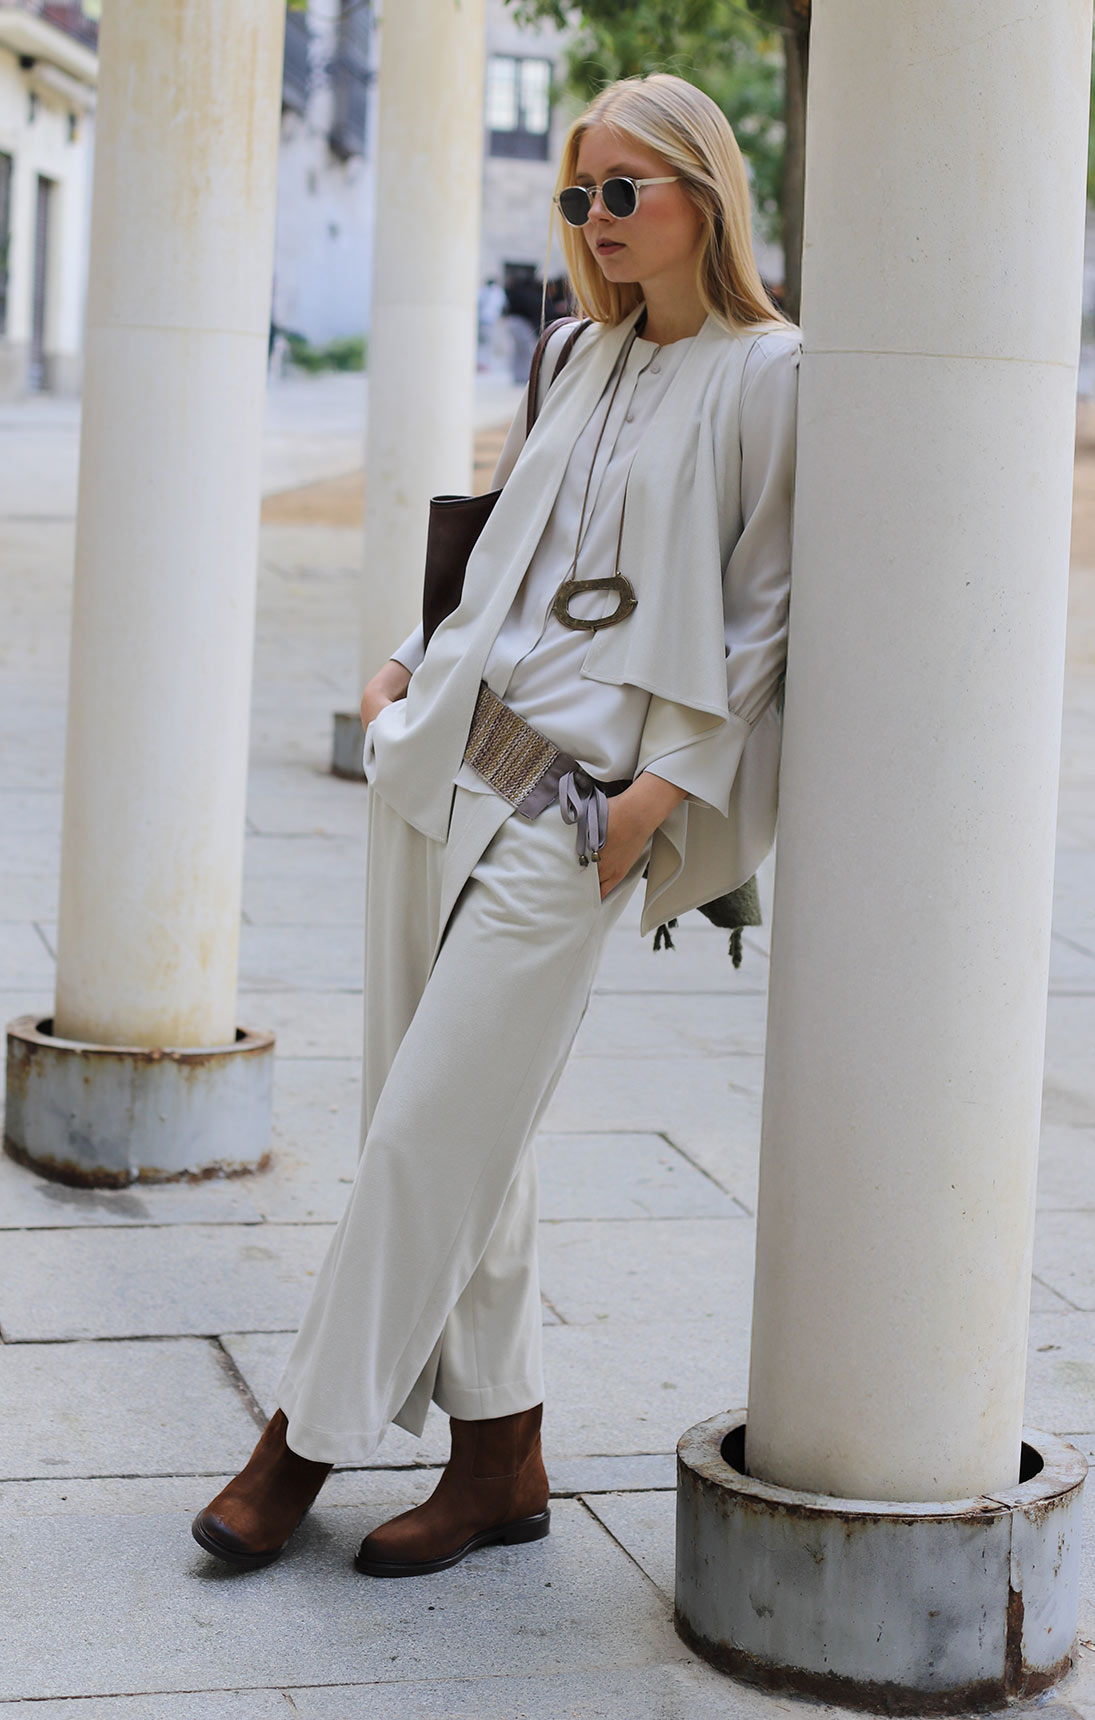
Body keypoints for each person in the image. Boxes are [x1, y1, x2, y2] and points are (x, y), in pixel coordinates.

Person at [193, 72, 800, 1580]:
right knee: (460, 1126)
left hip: (582, 805)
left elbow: (765, 612)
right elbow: (506, 554)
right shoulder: (574, 354)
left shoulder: (770, 374)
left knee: (422, 1131)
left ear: (704, 197)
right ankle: (499, 1457)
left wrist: (662, 796)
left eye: (624, 191)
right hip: (449, 752)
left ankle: (299, 1443)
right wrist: (408, 666)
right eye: (580, 195)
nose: (596, 219)